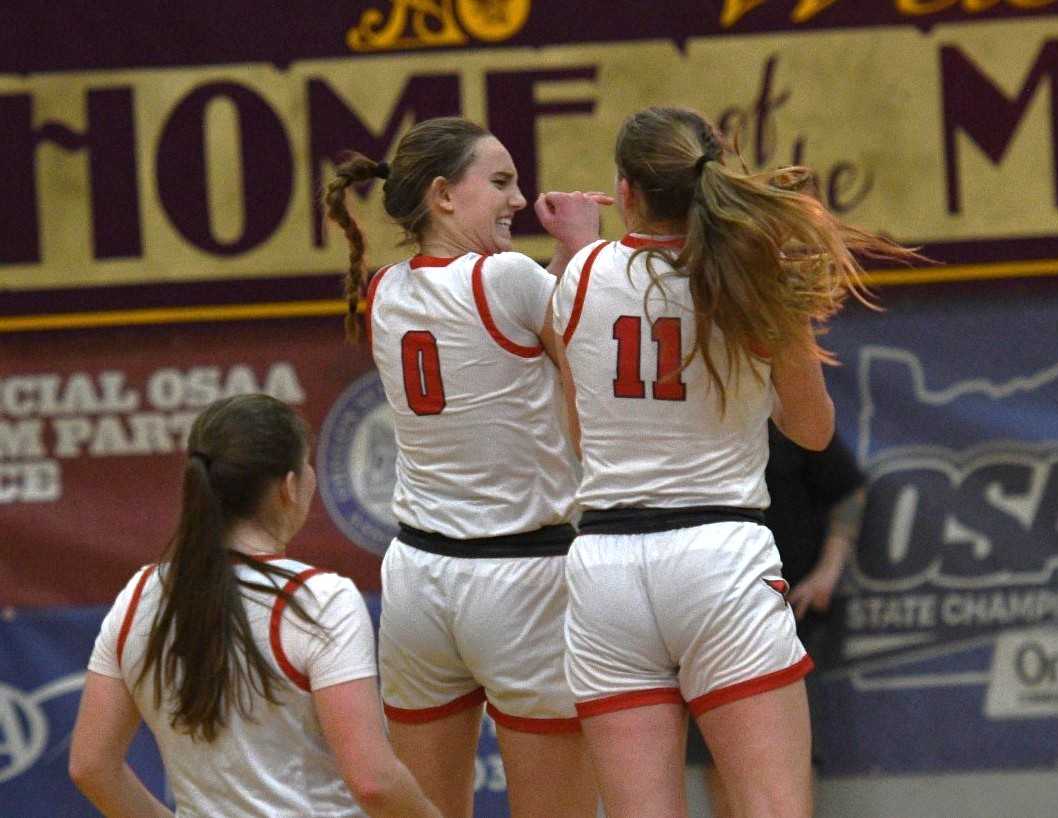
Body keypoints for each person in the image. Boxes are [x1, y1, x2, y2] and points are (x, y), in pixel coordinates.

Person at [551, 106, 920, 818]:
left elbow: (578, 433)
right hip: (717, 557)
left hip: (603, 566)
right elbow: (812, 432)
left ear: (625, 190)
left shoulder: (579, 276)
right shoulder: (751, 281)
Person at [323, 116, 608, 818]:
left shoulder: (385, 288)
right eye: (502, 182)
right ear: (444, 194)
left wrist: (560, 266)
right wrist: (582, 246)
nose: (518, 199)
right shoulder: (508, 278)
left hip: (418, 578)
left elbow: (508, 329)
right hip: (523, 577)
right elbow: (594, 347)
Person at [68, 394, 440, 818]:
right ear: (289, 486)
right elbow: (374, 782)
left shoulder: (140, 594)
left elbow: (91, 766)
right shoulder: (321, 600)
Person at [686, 421, 868, 818]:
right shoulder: (689, 419)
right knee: (720, 754)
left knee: (788, 756)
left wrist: (828, 571)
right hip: (705, 614)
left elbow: (848, 487)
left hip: (788, 615)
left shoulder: (787, 416)